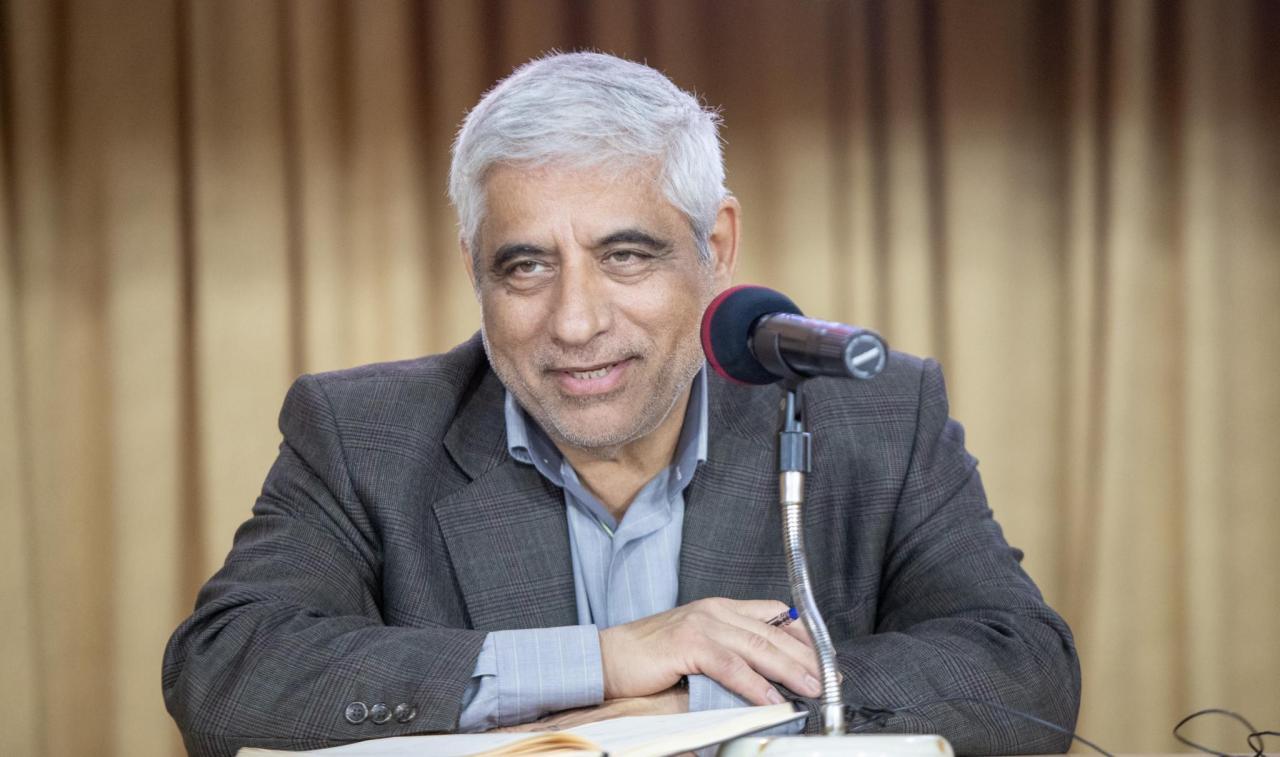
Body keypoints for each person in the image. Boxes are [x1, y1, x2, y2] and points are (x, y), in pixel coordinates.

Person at [162, 51, 1080, 757]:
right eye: (526, 266)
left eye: (626, 256)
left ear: (717, 245)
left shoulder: (872, 417)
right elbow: (226, 670)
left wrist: (692, 705)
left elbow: (1024, 669)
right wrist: (604, 658)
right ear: (473, 269)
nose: (575, 321)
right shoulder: (363, 433)